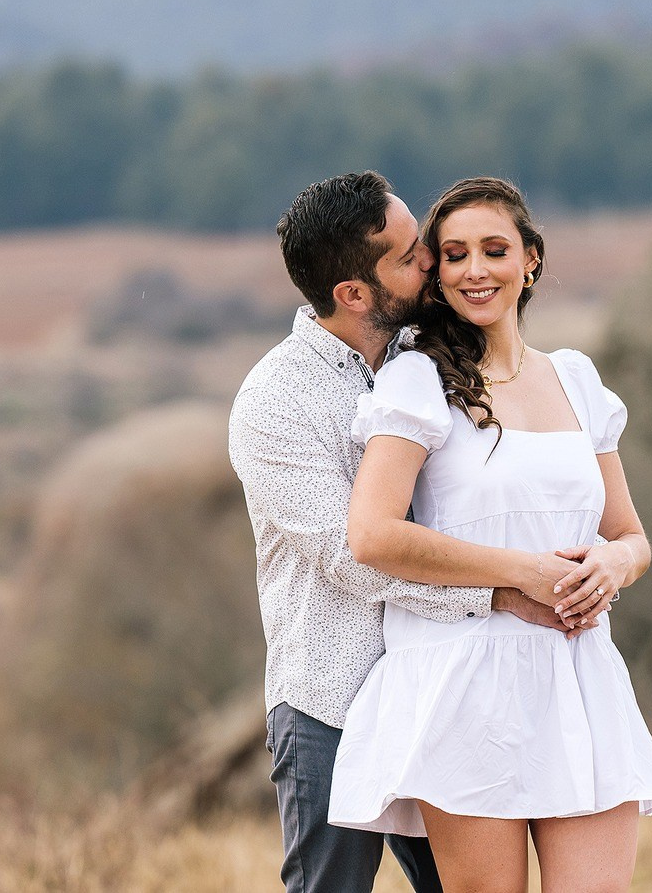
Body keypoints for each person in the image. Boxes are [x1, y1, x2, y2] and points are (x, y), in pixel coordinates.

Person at [229, 171, 591, 893]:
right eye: (408, 256)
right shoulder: (274, 404)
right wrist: (502, 591)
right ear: (354, 294)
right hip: (333, 698)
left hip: (445, 685)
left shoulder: (432, 356)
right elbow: (351, 554)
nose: (431, 260)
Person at [329, 175, 652, 893]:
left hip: (579, 675)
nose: (474, 270)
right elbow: (372, 534)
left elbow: (631, 537)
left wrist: (613, 565)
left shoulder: (577, 380)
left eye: (493, 249)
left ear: (531, 259)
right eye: (453, 255)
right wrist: (522, 572)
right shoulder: (419, 380)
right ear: (438, 274)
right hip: (466, 680)